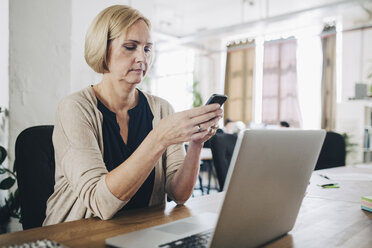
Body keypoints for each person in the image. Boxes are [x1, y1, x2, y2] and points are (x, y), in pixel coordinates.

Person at [43, 5, 222, 225]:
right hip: (77, 236)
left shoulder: (161, 109)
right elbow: (100, 202)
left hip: (140, 232)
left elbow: (179, 194)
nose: (142, 57)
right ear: (102, 49)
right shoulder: (74, 108)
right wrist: (159, 138)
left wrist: (195, 144)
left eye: (147, 49)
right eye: (130, 47)